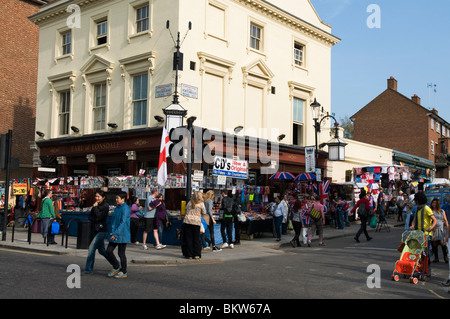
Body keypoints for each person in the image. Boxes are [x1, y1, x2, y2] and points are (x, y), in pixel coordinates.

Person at [410, 191, 437, 275]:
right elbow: (414, 220)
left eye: (416, 200)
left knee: (426, 253)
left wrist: (431, 228)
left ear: (419, 200)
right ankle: (419, 268)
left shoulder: (426, 209)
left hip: (426, 234)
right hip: (418, 234)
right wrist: (412, 225)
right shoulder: (417, 209)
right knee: (418, 252)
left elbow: (435, 220)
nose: (415, 201)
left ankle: (427, 269)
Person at [105, 192, 130, 279]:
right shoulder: (117, 208)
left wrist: (116, 233)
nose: (116, 200)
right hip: (114, 233)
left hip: (122, 234)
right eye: (116, 198)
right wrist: (112, 232)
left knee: (121, 253)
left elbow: (123, 222)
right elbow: (114, 221)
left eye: (117, 198)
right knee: (108, 251)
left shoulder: (125, 208)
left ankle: (124, 271)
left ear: (123, 199)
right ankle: (116, 266)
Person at [84, 190, 110, 274]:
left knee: (91, 248)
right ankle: (116, 264)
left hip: (102, 230)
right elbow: (90, 217)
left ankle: (88, 269)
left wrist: (95, 208)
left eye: (98, 197)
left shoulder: (105, 206)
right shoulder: (96, 205)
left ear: (103, 197)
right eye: (96, 196)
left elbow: (100, 216)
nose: (97, 198)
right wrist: (96, 218)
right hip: (95, 229)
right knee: (102, 251)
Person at [182, 191, 206, 259]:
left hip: (187, 221)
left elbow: (186, 211)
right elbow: (204, 212)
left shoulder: (190, 202)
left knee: (188, 239)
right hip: (196, 222)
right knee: (196, 239)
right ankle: (196, 254)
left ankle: (189, 254)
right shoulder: (201, 204)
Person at [430, 198, 449, 263]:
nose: (434, 204)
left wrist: (447, 229)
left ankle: (445, 257)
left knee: (442, 243)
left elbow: (446, 220)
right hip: (434, 229)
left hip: (441, 229)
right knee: (434, 243)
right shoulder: (430, 211)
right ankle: (436, 258)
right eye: (433, 203)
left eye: (435, 203)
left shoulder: (442, 211)